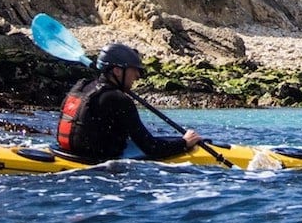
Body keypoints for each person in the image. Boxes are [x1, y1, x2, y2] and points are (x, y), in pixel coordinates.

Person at [56, 42, 202, 162]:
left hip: (66, 153)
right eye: (134, 70)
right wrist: (184, 143)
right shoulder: (118, 99)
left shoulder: (81, 86)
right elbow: (151, 147)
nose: (138, 76)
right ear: (118, 71)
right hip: (97, 167)